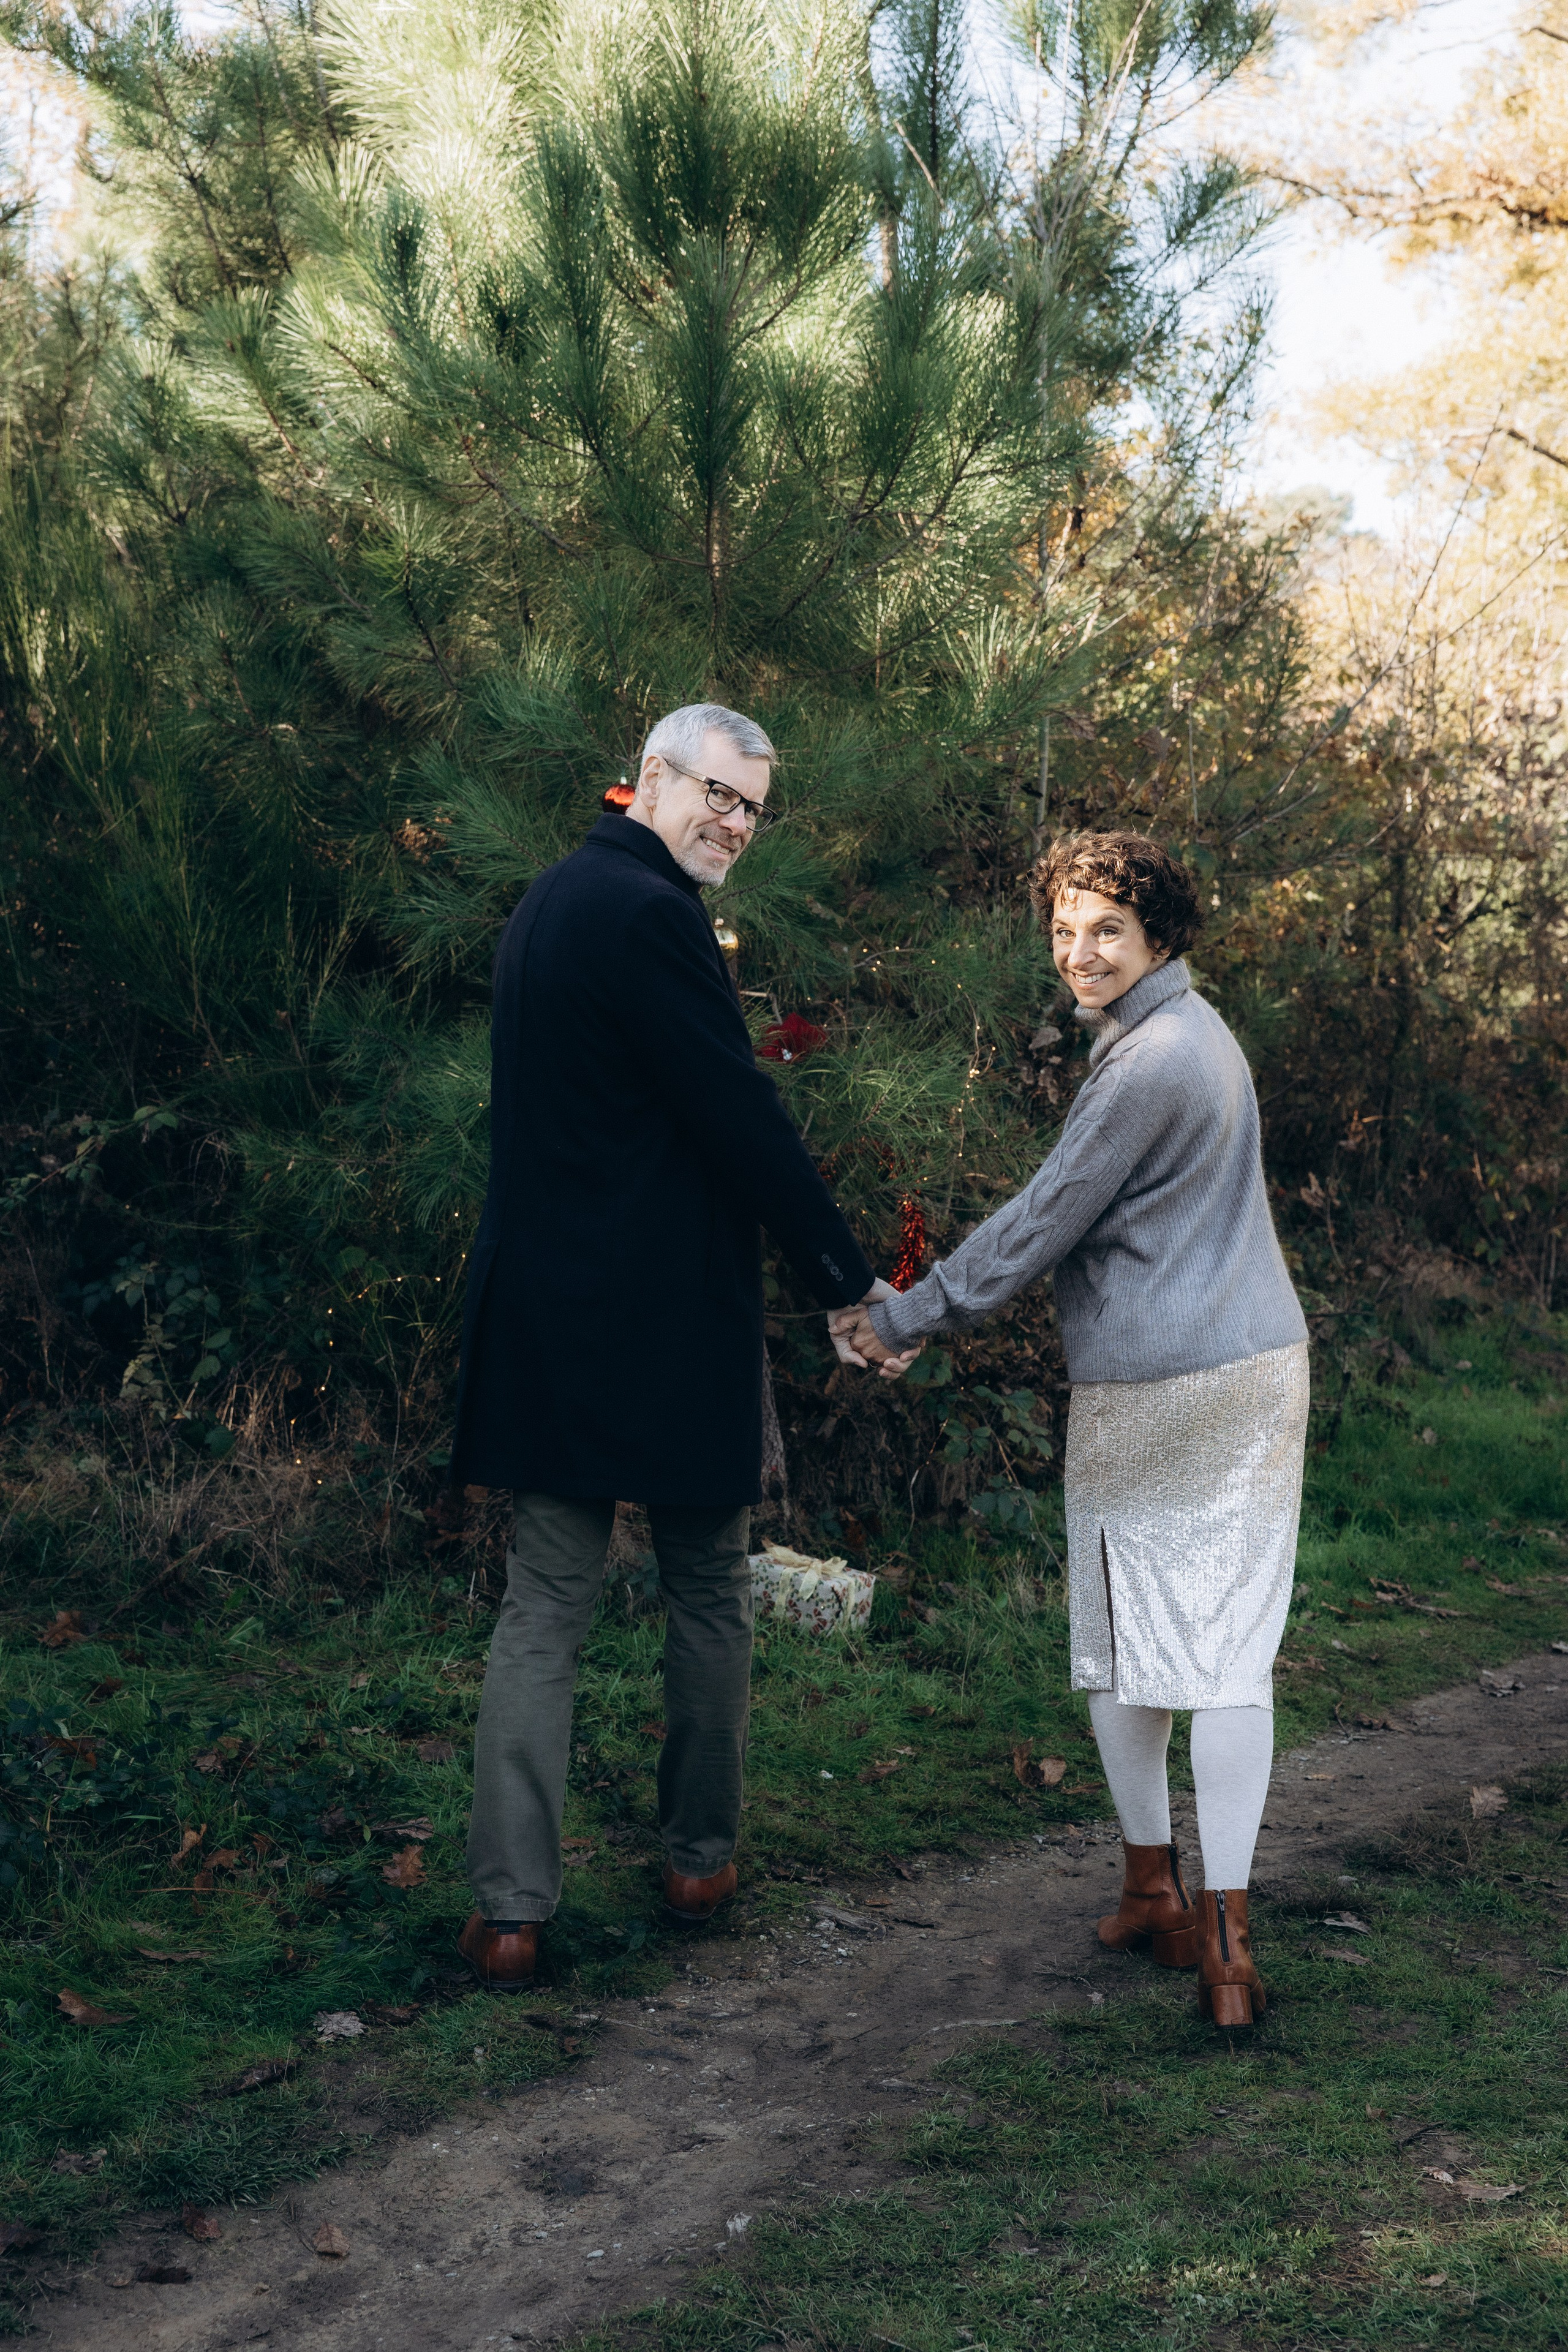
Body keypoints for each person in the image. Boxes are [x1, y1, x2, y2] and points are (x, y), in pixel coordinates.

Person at [448, 701, 912, 1991]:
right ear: (645, 778)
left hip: (546, 1310)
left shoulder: (549, 902)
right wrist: (841, 1277)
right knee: (703, 1587)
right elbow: (736, 1118)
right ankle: (697, 1861)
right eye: (714, 791)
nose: (732, 821)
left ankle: (508, 1914)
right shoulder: (650, 916)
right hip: (654, 1319)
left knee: (544, 1601)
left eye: (751, 806)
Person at [832, 829, 1308, 2029]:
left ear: (1158, 936)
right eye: (1063, 931)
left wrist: (910, 1313)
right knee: (1213, 1648)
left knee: (1139, 1634)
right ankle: (1187, 1921)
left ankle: (1192, 1915)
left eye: (1106, 930)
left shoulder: (1150, 1061)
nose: (1080, 952)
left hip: (1164, 1393)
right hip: (1255, 1376)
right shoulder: (1197, 1038)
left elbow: (1042, 1218)